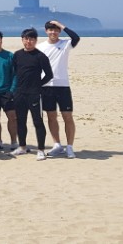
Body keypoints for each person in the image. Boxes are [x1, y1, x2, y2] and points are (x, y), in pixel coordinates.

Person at [38, 20, 82, 158]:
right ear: (46, 31)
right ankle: (57, 144)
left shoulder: (65, 44)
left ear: (60, 31)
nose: (53, 32)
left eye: (56, 30)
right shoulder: (40, 47)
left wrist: (61, 24)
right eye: (51, 30)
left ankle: (69, 147)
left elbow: (76, 37)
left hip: (63, 86)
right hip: (46, 86)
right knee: (51, 116)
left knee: (67, 116)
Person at [11, 28, 54, 160]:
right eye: (26, 39)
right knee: (20, 121)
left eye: (31, 39)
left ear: (35, 40)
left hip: (34, 94)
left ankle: (41, 150)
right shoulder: (17, 55)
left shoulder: (40, 56)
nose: (28, 41)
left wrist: (38, 85)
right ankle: (22, 147)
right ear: (22, 40)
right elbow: (15, 72)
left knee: (38, 121)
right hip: (19, 93)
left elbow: (49, 75)